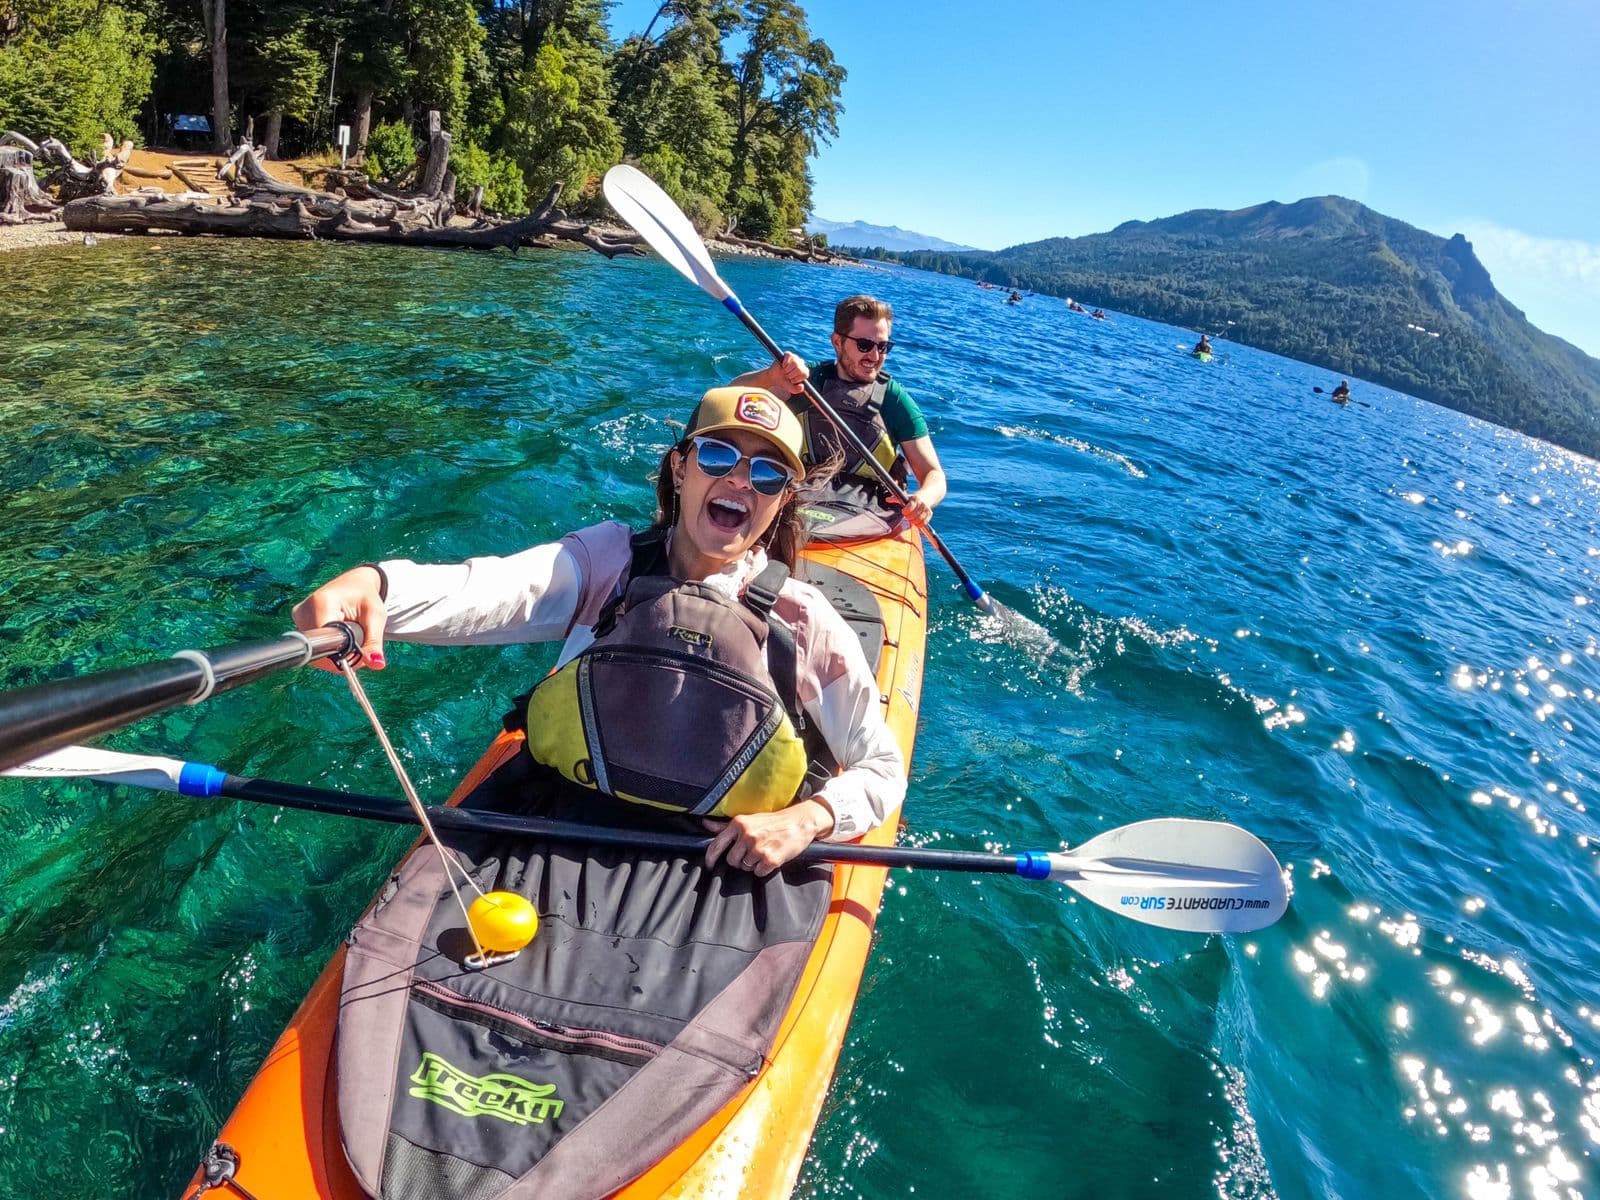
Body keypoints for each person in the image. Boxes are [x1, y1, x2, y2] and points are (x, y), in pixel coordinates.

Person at [291, 386, 906, 876]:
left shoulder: (803, 620)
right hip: (563, 816)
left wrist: (810, 818)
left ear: (779, 502)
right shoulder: (607, 560)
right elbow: (494, 589)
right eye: (719, 456)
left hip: (717, 854)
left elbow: (881, 768)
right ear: (680, 467)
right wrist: (378, 587)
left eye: (769, 474)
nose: (742, 481)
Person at [732, 295, 948, 526]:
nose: (875, 357)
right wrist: (769, 376)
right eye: (864, 345)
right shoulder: (805, 381)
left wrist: (923, 498)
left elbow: (934, 474)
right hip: (795, 497)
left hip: (869, 514)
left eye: (883, 347)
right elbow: (729, 399)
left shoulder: (893, 400)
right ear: (837, 342)